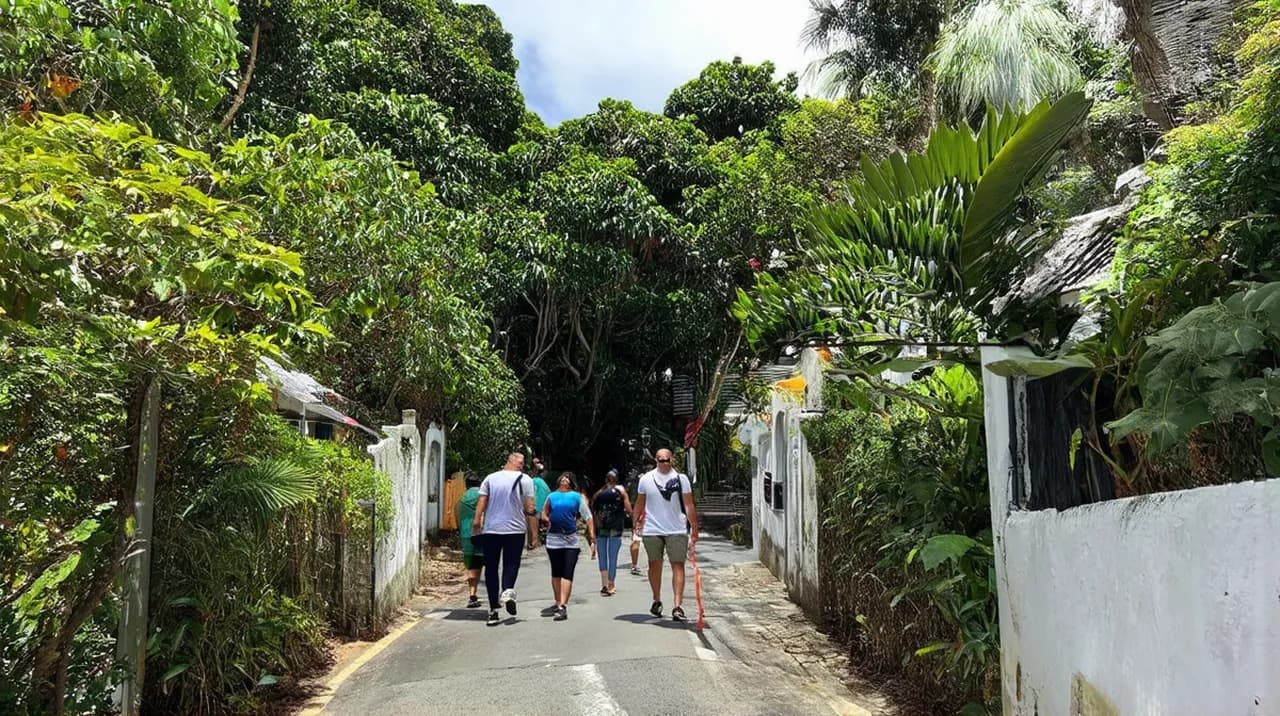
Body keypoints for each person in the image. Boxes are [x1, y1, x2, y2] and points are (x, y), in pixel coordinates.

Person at [472, 452, 538, 626]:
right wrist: (534, 534)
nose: (522, 464)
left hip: (492, 529)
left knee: (491, 568)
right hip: (515, 530)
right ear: (518, 463)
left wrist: (476, 522)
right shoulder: (526, 480)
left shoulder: (491, 478)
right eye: (522, 462)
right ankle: (508, 591)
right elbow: (530, 508)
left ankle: (493, 610)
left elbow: (482, 501)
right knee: (511, 563)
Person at [633, 448, 699, 622]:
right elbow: (640, 503)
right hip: (652, 529)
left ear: (672, 460)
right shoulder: (646, 479)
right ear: (656, 460)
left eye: (667, 460)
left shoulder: (681, 479)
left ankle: (677, 606)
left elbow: (689, 504)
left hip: (676, 528)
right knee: (654, 564)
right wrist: (635, 522)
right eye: (660, 460)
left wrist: (694, 527)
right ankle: (657, 599)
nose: (664, 463)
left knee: (678, 565)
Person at [541, 472, 596, 621]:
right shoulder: (551, 496)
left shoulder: (576, 497)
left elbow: (588, 517)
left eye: (568, 479)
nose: (564, 480)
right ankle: (558, 601)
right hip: (553, 539)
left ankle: (563, 606)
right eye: (562, 478)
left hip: (571, 540)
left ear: (571, 483)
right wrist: (547, 520)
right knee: (556, 572)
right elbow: (544, 513)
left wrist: (592, 538)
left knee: (567, 572)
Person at [592, 468, 632, 596]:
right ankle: (611, 583)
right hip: (616, 526)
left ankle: (604, 584)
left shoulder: (599, 493)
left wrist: (596, 525)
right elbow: (628, 508)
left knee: (602, 555)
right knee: (613, 556)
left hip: (601, 527)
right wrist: (633, 519)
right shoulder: (621, 491)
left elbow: (594, 510)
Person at [453, 472, 485, 608]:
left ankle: (472, 594)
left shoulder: (460, 500)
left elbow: (456, 518)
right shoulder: (482, 497)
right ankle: (494, 595)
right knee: (484, 564)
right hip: (480, 534)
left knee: (471, 564)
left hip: (465, 534)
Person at [626, 465, 647, 575]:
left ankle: (634, 565)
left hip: (639, 513)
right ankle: (656, 562)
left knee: (636, 539)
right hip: (648, 513)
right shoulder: (650, 479)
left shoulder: (631, 481)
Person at [529, 458, 552, 548]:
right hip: (542, 500)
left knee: (536, 520)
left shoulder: (538, 479)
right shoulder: (536, 479)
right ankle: (536, 540)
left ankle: (535, 540)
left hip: (541, 502)